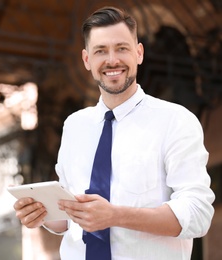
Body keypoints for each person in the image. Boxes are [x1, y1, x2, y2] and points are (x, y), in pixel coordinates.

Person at [13, 6, 215, 260]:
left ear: (139, 53)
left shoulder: (176, 121)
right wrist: (41, 215)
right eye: (100, 51)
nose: (112, 60)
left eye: (122, 48)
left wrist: (115, 216)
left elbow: (197, 214)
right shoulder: (74, 126)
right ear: (87, 60)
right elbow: (69, 221)